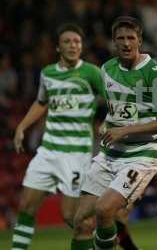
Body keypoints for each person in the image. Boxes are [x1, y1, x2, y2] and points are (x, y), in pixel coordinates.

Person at [71, 16, 157, 250]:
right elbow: (115, 111)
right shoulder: (107, 69)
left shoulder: (154, 71)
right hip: (110, 155)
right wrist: (107, 125)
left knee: (104, 209)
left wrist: (124, 130)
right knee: (81, 224)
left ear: (139, 40)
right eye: (121, 39)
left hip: (141, 155)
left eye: (131, 38)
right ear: (113, 42)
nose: (126, 43)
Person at [11, 23, 103, 250]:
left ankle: (103, 241)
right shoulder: (48, 73)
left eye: (77, 42)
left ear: (81, 46)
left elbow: (114, 100)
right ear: (58, 48)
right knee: (26, 207)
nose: (73, 45)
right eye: (67, 42)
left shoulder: (92, 73)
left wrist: (110, 123)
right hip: (48, 151)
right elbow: (41, 102)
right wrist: (22, 126)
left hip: (76, 155)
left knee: (72, 216)